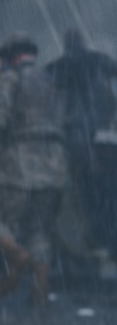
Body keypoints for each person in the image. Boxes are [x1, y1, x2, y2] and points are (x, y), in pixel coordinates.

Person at [0, 31, 67, 308]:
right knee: (39, 231)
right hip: (54, 170)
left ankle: (17, 255)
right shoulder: (51, 80)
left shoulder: (9, 78)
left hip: (17, 169)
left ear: (9, 57)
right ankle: (40, 296)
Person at [45, 28, 117, 272]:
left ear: (66, 45)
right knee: (104, 195)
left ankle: (88, 247)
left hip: (76, 141)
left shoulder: (58, 68)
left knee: (81, 196)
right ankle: (104, 243)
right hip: (102, 140)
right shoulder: (99, 61)